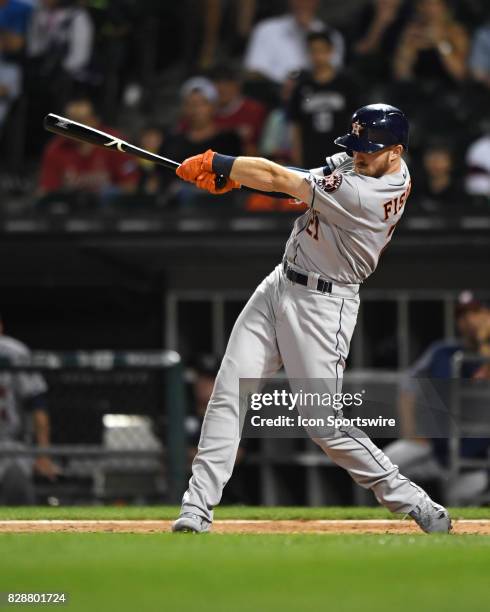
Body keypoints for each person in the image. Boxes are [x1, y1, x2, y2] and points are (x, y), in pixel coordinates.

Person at [171, 103, 451, 534]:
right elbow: (298, 180)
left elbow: (282, 179)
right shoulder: (372, 166)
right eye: (356, 145)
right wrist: (235, 178)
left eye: (370, 149)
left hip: (324, 306)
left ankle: (412, 499)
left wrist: (220, 163)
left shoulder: (368, 194)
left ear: (396, 152)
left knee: (324, 425)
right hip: (280, 282)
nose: (359, 154)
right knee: (228, 392)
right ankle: (196, 509)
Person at [384, 294, 490, 504]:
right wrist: (410, 432)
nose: (469, 320)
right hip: (438, 449)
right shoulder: (443, 351)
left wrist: (484, 343)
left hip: (478, 458)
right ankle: (401, 521)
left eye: (475, 312)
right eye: (462, 315)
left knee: (459, 497)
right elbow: (408, 385)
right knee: (386, 463)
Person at [0, 313, 58, 505]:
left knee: (17, 491)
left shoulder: (13, 353)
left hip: (9, 445)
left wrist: (43, 455)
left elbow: (37, 404)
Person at [38, 97, 139, 203]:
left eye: (79, 121)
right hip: (70, 213)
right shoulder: (56, 148)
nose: (71, 128)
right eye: (67, 122)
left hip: (110, 212)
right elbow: (46, 190)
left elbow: (130, 187)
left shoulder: (116, 143)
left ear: (94, 121)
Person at [288, 30, 360, 169]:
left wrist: (357, 150)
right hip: (311, 153)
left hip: (342, 153)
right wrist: (297, 154)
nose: (317, 55)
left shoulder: (347, 84)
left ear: (331, 51)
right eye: (313, 51)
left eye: (321, 50)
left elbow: (357, 121)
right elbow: (296, 124)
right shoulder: (301, 87)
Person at [244, 0, 344, 85]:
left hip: (315, 96)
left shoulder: (331, 36)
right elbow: (255, 72)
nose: (302, 3)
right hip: (273, 95)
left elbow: (330, 75)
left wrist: (309, 33)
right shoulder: (266, 29)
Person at [211, 64, 267, 156]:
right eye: (217, 82)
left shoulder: (255, 110)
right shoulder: (203, 110)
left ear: (238, 84)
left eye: (227, 83)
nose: (222, 88)